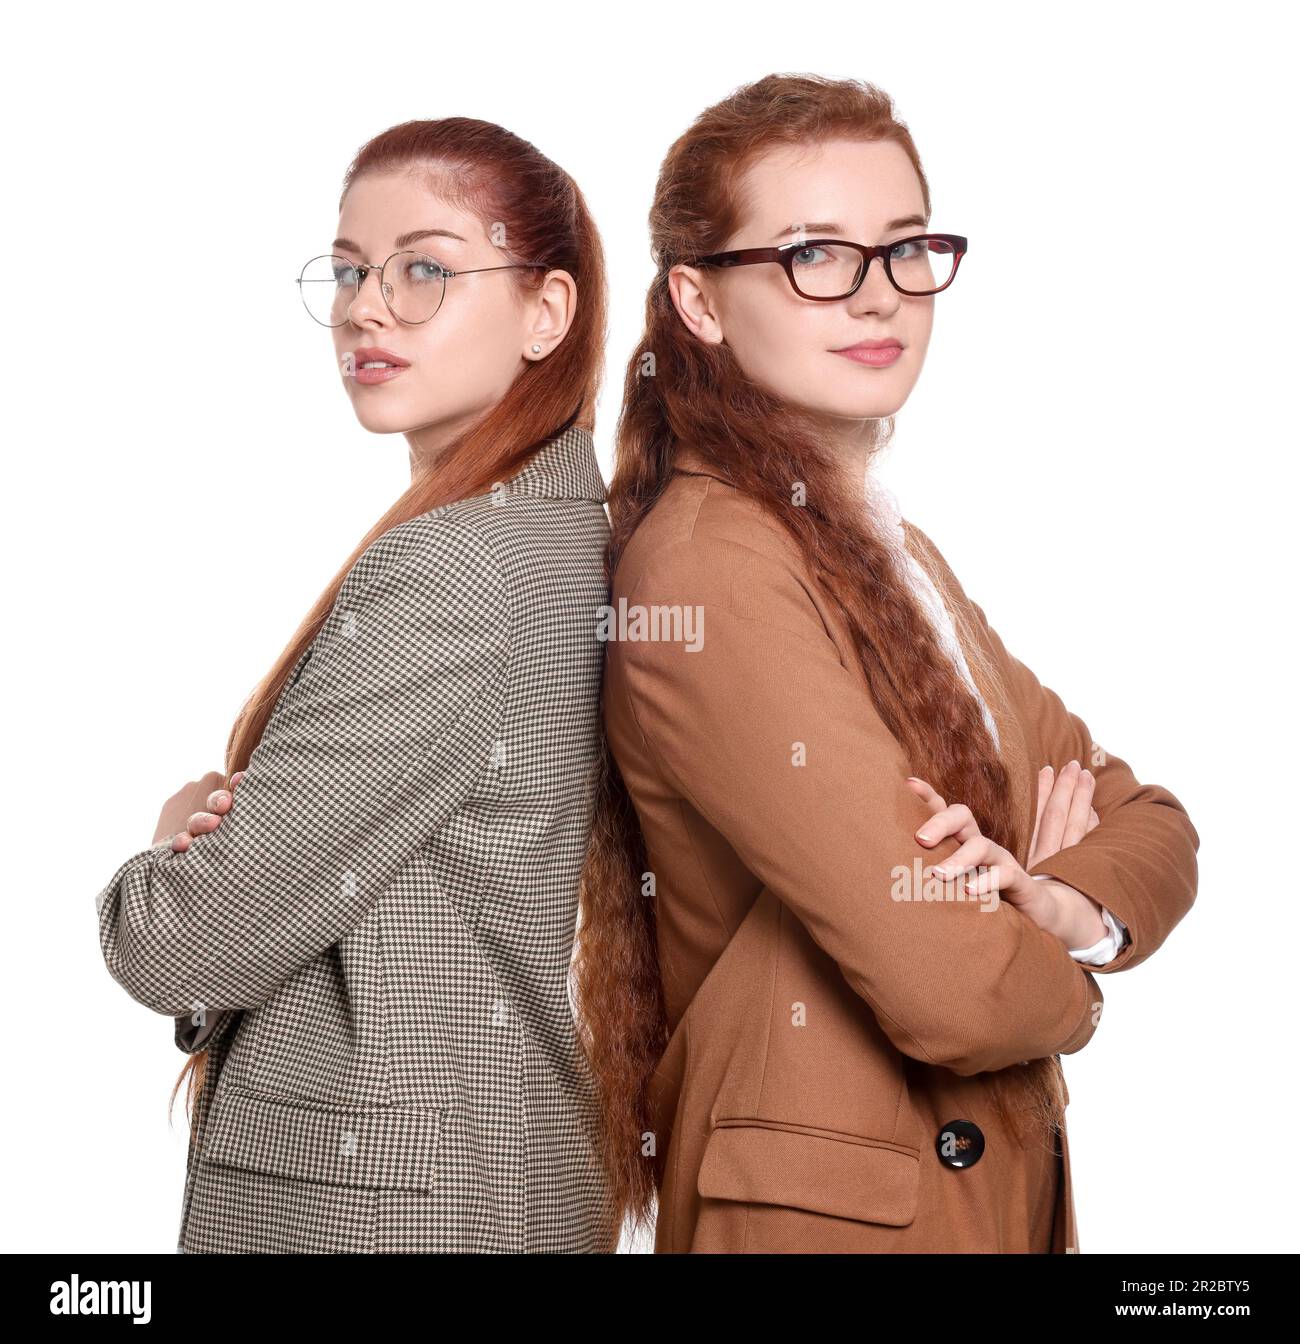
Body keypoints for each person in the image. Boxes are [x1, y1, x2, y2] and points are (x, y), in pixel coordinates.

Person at [574, 74, 1198, 1253]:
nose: (880, 295)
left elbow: (1149, 815)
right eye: (816, 254)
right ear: (698, 303)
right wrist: (1069, 973)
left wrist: (1050, 896)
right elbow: (951, 990)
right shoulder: (707, 572)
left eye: (905, 247)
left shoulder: (892, 550)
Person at [95, 117, 617, 1253]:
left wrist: (169, 851)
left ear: (548, 313)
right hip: (506, 1175)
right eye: (348, 270)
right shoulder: (572, 533)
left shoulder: (458, 567)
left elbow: (183, 942)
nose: (365, 308)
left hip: (386, 1210)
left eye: (424, 269)